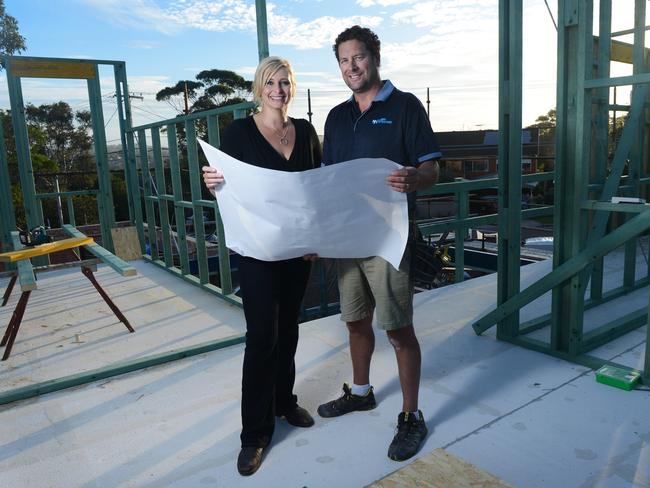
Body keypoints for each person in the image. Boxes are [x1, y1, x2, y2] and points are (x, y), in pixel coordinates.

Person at [317, 25, 441, 462]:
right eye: (344, 61)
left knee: (399, 329)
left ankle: (411, 415)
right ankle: (362, 392)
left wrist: (414, 178)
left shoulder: (406, 106)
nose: (352, 67)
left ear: (375, 57)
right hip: (348, 237)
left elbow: (432, 170)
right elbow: (329, 180)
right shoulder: (334, 117)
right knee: (354, 321)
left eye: (359, 57)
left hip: (389, 236)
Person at [202, 56, 322, 476]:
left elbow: (314, 188)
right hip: (256, 254)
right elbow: (223, 181)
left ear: (293, 86)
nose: (278, 89)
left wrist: (314, 238)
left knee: (288, 329)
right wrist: (211, 182)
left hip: (296, 252)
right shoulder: (238, 132)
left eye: (284, 81)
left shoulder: (305, 132)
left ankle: (284, 403)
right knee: (261, 339)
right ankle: (254, 434)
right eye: (270, 82)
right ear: (259, 88)